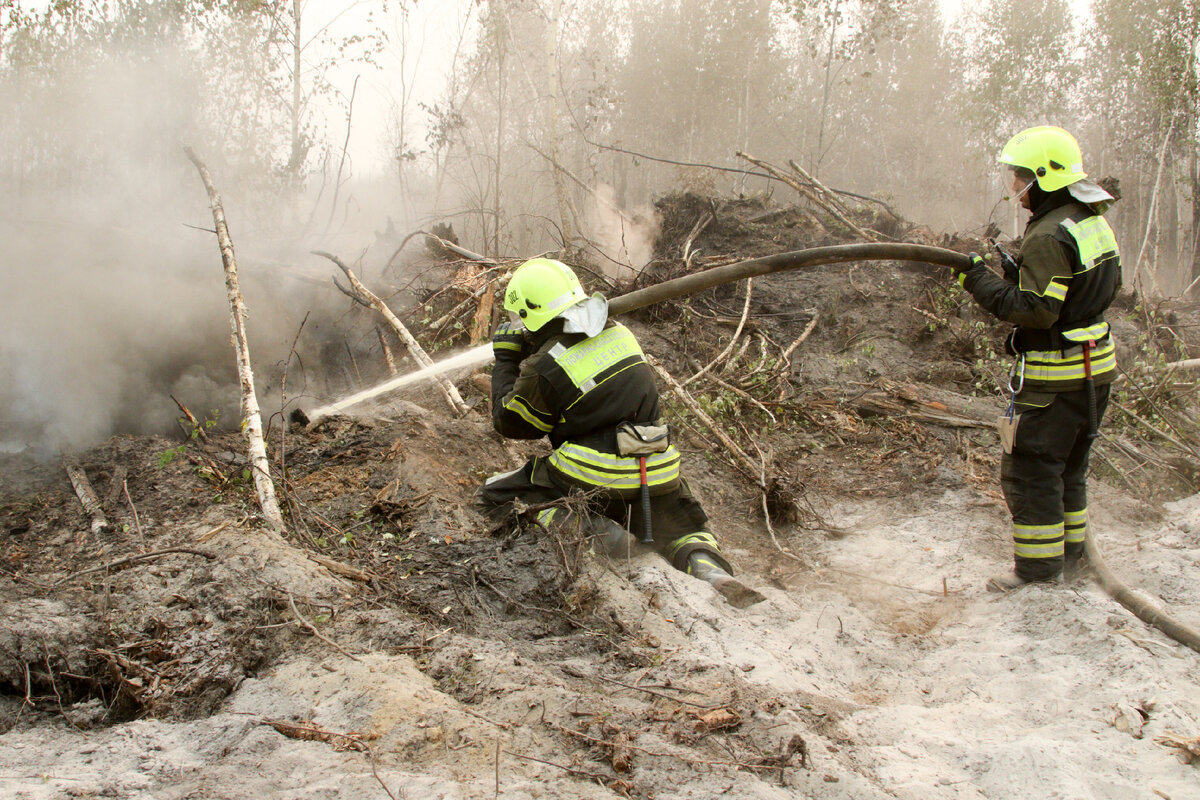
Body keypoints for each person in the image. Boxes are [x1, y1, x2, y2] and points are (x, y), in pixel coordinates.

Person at [479, 257, 764, 608]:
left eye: (518, 317)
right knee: (681, 526)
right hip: (655, 471)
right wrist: (535, 347)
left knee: (498, 493)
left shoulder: (546, 366)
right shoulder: (621, 334)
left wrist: (506, 363)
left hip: (595, 476)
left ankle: (598, 534)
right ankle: (705, 566)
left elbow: (510, 424)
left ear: (530, 313)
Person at [953, 126, 1122, 592]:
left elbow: (1035, 310)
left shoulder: (1048, 234)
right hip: (1094, 372)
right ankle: (1073, 562)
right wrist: (1019, 271)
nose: (1015, 188)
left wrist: (979, 280)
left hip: (1056, 380)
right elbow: (1086, 289)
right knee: (1069, 470)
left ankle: (1037, 573)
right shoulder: (1089, 220)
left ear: (1043, 178)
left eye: (1020, 177)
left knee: (1032, 471)